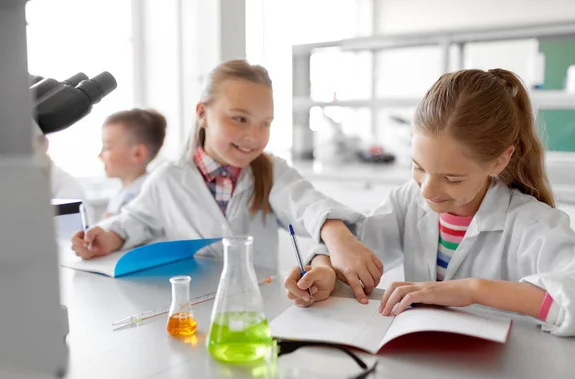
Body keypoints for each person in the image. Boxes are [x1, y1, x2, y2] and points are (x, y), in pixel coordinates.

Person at [285, 68, 575, 336]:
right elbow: (354, 250)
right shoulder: (409, 199)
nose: (427, 190)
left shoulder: (531, 224)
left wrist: (472, 290)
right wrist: (324, 269)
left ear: (500, 161)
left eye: (452, 178)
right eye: (419, 167)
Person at [71, 60, 382, 288]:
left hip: (258, 304)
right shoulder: (168, 179)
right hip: (192, 307)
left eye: (266, 123)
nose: (254, 135)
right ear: (203, 114)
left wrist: (338, 235)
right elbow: (132, 222)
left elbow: (308, 204)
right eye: (240, 119)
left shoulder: (270, 171)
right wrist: (107, 237)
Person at [99, 108, 167, 218]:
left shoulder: (144, 198)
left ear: (138, 153)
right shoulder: (122, 193)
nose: (100, 155)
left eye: (107, 147)